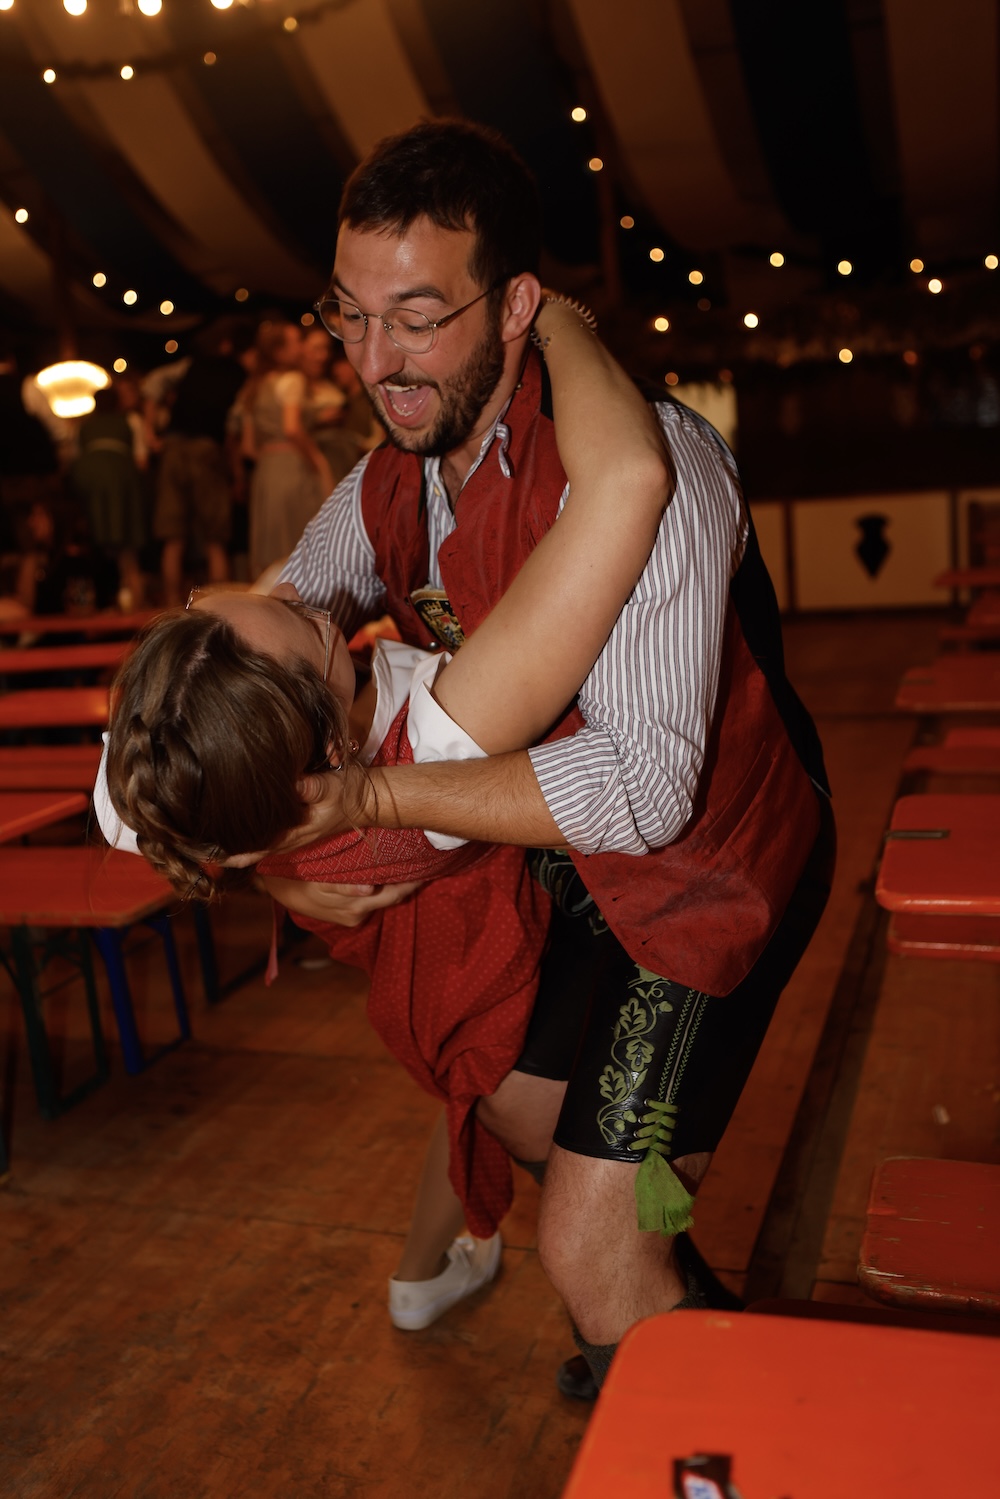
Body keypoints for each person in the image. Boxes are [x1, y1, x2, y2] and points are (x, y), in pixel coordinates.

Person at [258, 119, 834, 1399]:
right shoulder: (384, 484)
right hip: (572, 866)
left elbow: (643, 793)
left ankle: (695, 1400)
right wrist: (270, 859)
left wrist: (361, 795)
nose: (374, 362)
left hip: (715, 866)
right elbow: (264, 639)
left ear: (517, 305)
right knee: (516, 1102)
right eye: (351, 315)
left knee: (584, 1240)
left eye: (418, 319)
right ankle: (675, 1331)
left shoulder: (654, 461)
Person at [95, 294, 670, 1330]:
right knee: (587, 1184)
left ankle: (426, 1277)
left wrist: (262, 870)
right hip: (491, 977)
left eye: (202, 611)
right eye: (299, 619)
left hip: (432, 979)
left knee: (490, 1123)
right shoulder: (434, 743)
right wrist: (555, 320)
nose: (291, 588)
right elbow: (624, 485)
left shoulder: (219, 775)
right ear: (324, 750)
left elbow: (121, 806)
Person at [145, 320, 250, 606]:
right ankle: (220, 609)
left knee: (173, 536)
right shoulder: (240, 375)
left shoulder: (189, 366)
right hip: (207, 448)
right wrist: (237, 474)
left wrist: (149, 432)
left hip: (173, 447)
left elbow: (153, 383)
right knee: (215, 538)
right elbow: (234, 428)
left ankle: (170, 607)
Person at [238, 321, 332, 578]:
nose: (302, 347)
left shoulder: (254, 386)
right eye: (296, 342)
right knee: (297, 545)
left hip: (266, 470)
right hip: (293, 465)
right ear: (280, 351)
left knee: (271, 547)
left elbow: (248, 447)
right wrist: (316, 459)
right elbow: (292, 428)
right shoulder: (293, 380)